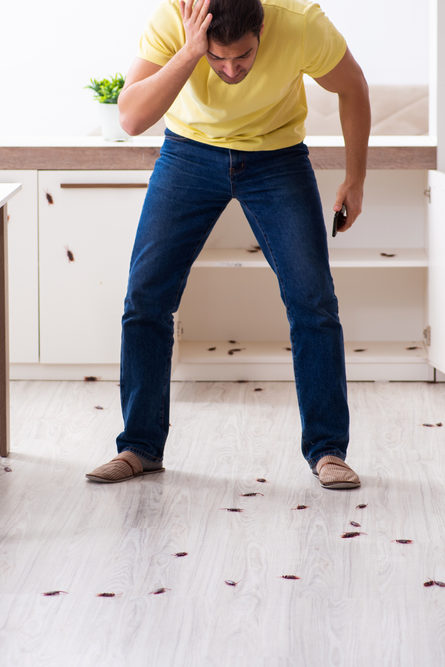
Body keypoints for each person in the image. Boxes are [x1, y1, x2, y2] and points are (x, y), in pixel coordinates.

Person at [86, 0, 371, 489]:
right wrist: (190, 51)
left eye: (243, 56)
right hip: (189, 153)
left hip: (276, 157)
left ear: (261, 27)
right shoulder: (173, 22)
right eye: (218, 59)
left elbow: (352, 86)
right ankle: (139, 446)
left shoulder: (300, 23)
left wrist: (356, 179)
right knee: (145, 299)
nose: (230, 70)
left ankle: (328, 451)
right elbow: (131, 119)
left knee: (313, 302)